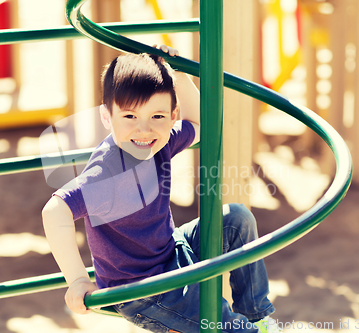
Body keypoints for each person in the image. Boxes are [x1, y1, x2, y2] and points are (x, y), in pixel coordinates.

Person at [42, 45, 280, 333]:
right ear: (107, 117)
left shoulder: (161, 143)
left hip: (171, 252)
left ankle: (257, 317)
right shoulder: (106, 172)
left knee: (236, 220)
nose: (144, 130)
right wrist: (78, 280)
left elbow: (200, 122)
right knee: (220, 324)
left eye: (157, 117)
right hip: (142, 290)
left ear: (172, 115)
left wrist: (176, 73)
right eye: (129, 117)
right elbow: (55, 210)